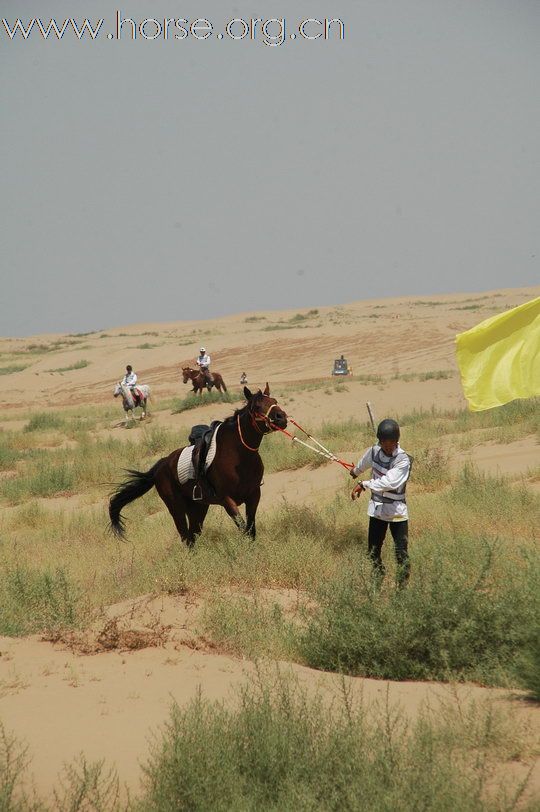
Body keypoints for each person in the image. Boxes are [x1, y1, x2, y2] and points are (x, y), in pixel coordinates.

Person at [350, 418, 411, 586]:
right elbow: (364, 463)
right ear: (380, 441)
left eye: (391, 442)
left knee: (401, 554)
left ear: (397, 441)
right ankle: (379, 574)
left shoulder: (403, 460)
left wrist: (364, 484)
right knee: (372, 551)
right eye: (384, 442)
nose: (387, 446)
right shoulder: (374, 451)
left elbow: (389, 483)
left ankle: (402, 588)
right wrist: (355, 471)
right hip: (377, 511)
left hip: (397, 513)